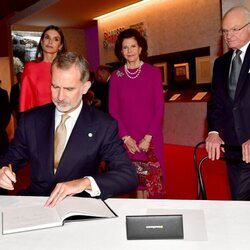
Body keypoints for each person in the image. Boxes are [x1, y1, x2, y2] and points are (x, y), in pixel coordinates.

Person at [0, 52, 137, 207]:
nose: (60, 96)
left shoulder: (103, 125)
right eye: (55, 86)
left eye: (69, 89)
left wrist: (85, 183)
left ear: (85, 87)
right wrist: (3, 170)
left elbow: (128, 176)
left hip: (79, 206)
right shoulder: (31, 120)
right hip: (37, 203)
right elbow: (10, 158)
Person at [109, 28, 165, 198]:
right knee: (135, 183)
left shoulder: (153, 73)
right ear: (121, 51)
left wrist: (148, 137)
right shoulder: (116, 76)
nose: (129, 51)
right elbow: (113, 110)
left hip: (151, 137)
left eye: (133, 46)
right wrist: (126, 137)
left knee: (152, 186)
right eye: (125, 47)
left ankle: (153, 218)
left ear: (140, 48)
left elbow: (159, 108)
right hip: (128, 138)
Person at [206, 6, 250, 200]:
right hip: (234, 149)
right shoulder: (221, 64)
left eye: (235, 29)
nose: (228, 35)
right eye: (225, 30)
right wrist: (214, 132)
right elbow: (216, 102)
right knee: (239, 203)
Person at [19, 25, 67, 112]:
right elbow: (25, 100)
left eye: (56, 39)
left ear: (60, 46)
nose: (50, 41)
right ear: (41, 42)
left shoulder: (67, 68)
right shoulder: (30, 67)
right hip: (38, 119)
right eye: (47, 37)